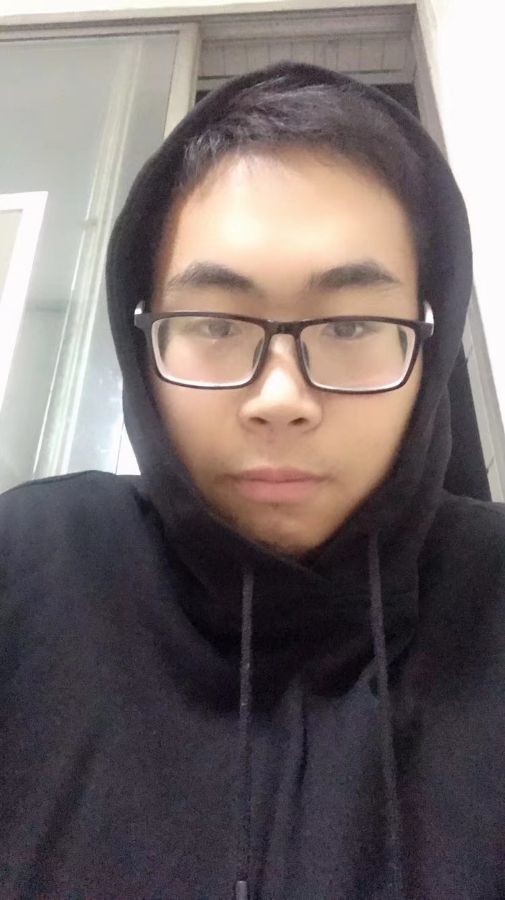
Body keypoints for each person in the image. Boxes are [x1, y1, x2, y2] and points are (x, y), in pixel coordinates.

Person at [0, 60, 504, 900]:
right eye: (213, 323)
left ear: (428, 341)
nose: (280, 399)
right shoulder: (28, 570)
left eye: (351, 325)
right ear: (143, 340)